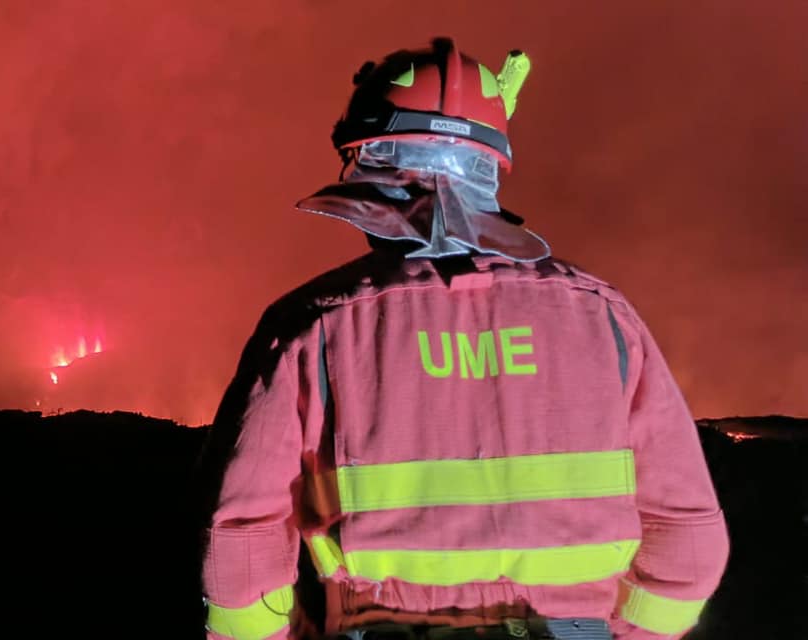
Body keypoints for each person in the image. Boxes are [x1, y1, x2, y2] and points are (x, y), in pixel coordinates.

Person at [195, 38, 729, 640]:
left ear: (367, 160)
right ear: (492, 163)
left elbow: (242, 541)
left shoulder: (311, 325)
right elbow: (689, 543)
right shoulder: (605, 318)